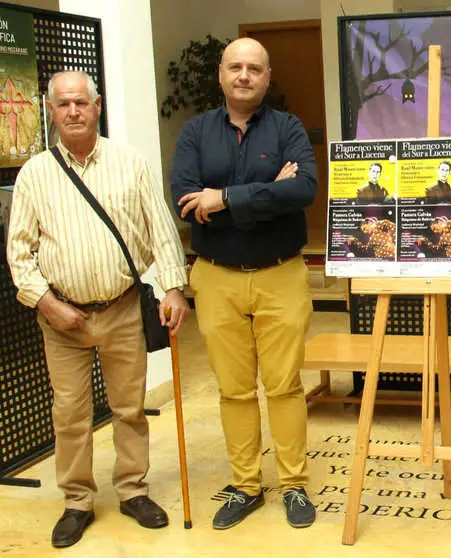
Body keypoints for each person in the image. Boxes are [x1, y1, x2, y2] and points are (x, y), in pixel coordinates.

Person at [5, 71, 190, 548]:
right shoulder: (35, 174)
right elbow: (19, 252)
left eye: (81, 103)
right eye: (63, 104)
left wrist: (173, 288)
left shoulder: (130, 163)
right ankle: (77, 501)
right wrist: (45, 301)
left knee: (129, 408)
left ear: (97, 105)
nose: (72, 111)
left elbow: (160, 229)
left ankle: (132, 490)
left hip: (123, 309)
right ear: (50, 110)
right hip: (60, 318)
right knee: (69, 413)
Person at [169, 37, 318, 530]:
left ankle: (294, 485)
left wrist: (227, 199)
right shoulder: (195, 133)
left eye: (254, 68)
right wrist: (267, 193)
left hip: (281, 275)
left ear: (268, 78)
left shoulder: (288, 128)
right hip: (216, 279)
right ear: (220, 74)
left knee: (285, 386)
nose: (244, 76)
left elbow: (303, 189)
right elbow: (186, 203)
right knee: (234, 390)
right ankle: (246, 485)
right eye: (235, 67)